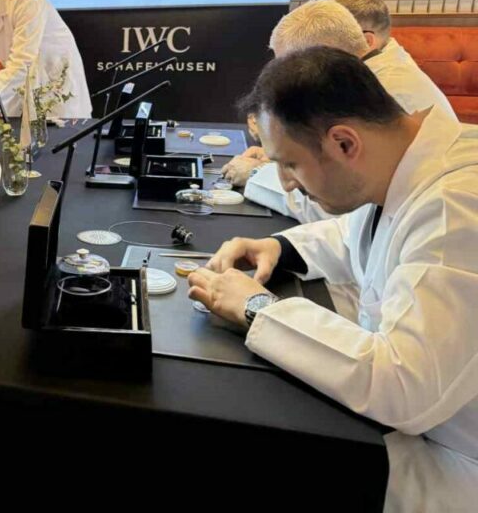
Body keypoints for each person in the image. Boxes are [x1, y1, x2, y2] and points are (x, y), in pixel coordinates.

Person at [187, 47, 478, 512]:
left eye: (290, 164)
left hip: (455, 461)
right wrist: (280, 247)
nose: (285, 182)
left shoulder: (455, 210)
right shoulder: (414, 162)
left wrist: (258, 308)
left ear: (344, 143)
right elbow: (358, 236)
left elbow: (403, 387)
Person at [222, 0, 454, 222]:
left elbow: (343, 203)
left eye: (295, 71)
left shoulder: (389, 91)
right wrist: (290, 154)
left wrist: (258, 174)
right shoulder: (379, 70)